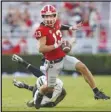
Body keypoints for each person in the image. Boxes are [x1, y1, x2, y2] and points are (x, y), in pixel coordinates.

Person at [32, 4, 110, 109]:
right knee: (49, 88)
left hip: (63, 58)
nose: (49, 18)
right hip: (52, 63)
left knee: (82, 67)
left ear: (55, 16)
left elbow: (59, 26)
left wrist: (71, 28)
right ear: (43, 17)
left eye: (51, 16)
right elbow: (41, 48)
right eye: (46, 16)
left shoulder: (56, 23)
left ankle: (96, 92)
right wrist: (56, 45)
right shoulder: (41, 30)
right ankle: (40, 93)